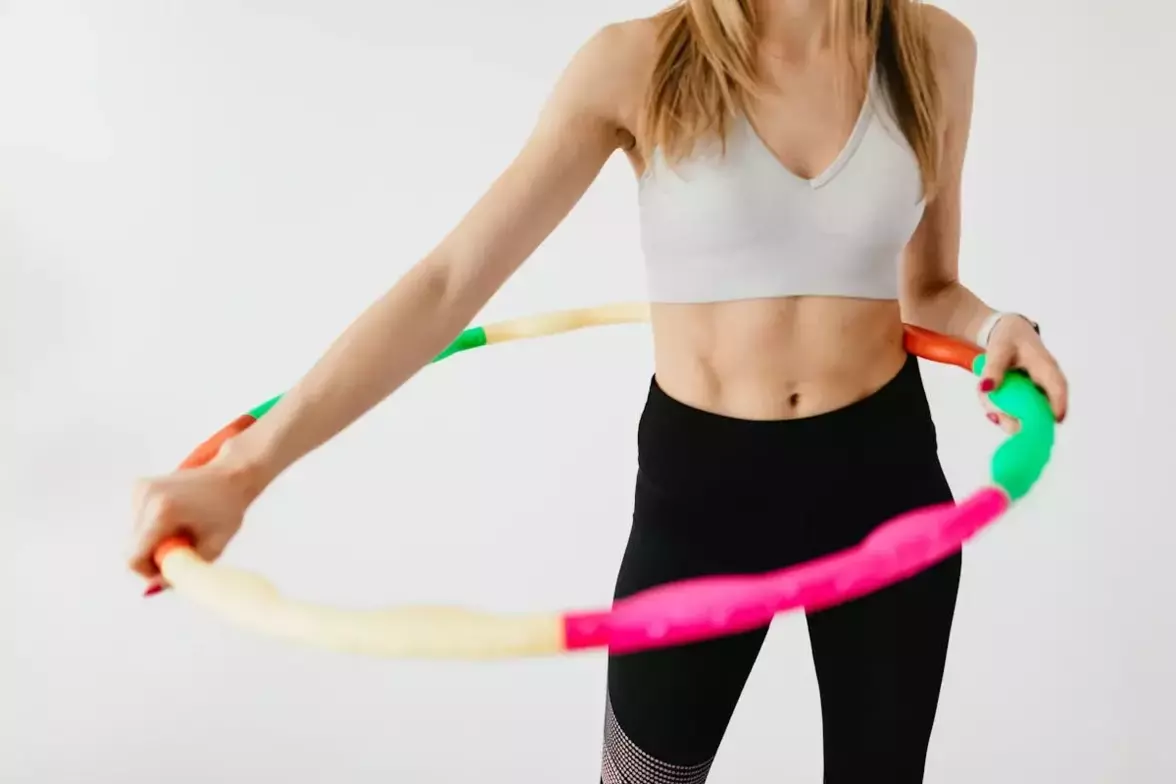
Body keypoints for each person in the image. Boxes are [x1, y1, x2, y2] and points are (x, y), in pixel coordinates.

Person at [128, 1, 1069, 780]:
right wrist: (244, 471)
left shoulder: (937, 50)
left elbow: (929, 286)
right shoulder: (640, 61)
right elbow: (450, 283)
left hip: (885, 478)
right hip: (705, 497)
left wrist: (996, 329)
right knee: (643, 779)